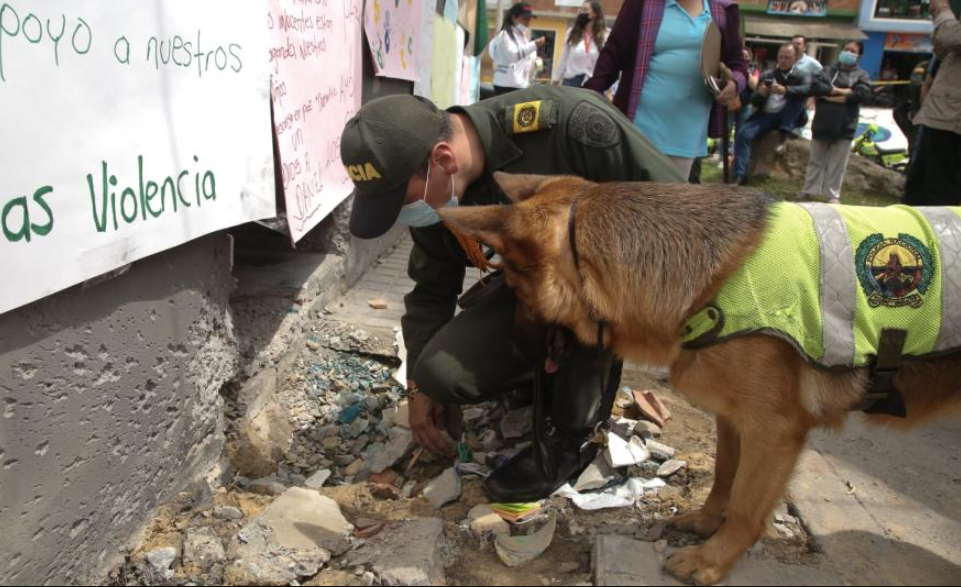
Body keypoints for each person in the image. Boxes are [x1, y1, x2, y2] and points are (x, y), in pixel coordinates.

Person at [339, 87, 683, 503]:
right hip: (532, 286)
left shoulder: (569, 127)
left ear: (444, 159)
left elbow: (678, 209)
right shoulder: (437, 186)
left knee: (571, 296)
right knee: (442, 374)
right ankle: (533, 380)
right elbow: (431, 291)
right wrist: (417, 390)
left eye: (403, 202)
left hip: (621, 276)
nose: (404, 216)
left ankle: (573, 435)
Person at [583, 0, 748, 179]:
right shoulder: (642, 4)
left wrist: (735, 84)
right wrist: (589, 93)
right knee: (630, 196)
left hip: (687, 130)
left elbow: (738, 63)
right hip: (639, 125)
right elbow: (614, 52)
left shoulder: (723, 10)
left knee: (670, 199)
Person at [799, 41, 872, 204]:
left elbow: (861, 94)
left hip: (845, 125)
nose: (848, 52)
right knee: (815, 160)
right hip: (822, 122)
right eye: (846, 49)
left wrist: (831, 94)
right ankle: (808, 190)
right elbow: (817, 87)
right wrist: (844, 93)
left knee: (838, 164)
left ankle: (833, 195)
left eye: (852, 50)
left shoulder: (862, 75)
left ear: (859, 55)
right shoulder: (827, 70)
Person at [905, 0, 961, 205]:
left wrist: (943, 9)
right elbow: (942, 46)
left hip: (951, 124)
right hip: (941, 117)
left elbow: (949, 37)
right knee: (919, 192)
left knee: (940, 197)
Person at [732, 43, 811, 185]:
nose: (783, 60)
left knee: (796, 99)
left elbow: (807, 90)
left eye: (787, 57)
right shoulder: (769, 75)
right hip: (767, 115)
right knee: (743, 134)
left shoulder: (801, 75)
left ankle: (784, 135)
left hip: (789, 115)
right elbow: (755, 100)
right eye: (781, 57)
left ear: (795, 58)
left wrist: (785, 90)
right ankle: (740, 175)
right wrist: (761, 94)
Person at [489, 2, 546, 96]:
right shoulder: (504, 36)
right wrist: (534, 45)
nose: (527, 23)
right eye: (524, 19)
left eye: (529, 19)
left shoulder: (522, 37)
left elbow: (526, 57)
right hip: (506, 87)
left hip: (520, 86)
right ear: (513, 18)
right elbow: (513, 55)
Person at [552, 1, 609, 88]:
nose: (581, 12)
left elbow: (606, 63)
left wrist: (608, 87)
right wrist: (555, 81)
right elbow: (563, 59)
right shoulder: (571, 33)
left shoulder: (604, 35)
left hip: (591, 83)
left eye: (585, 10)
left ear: (595, 14)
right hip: (570, 82)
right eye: (581, 9)